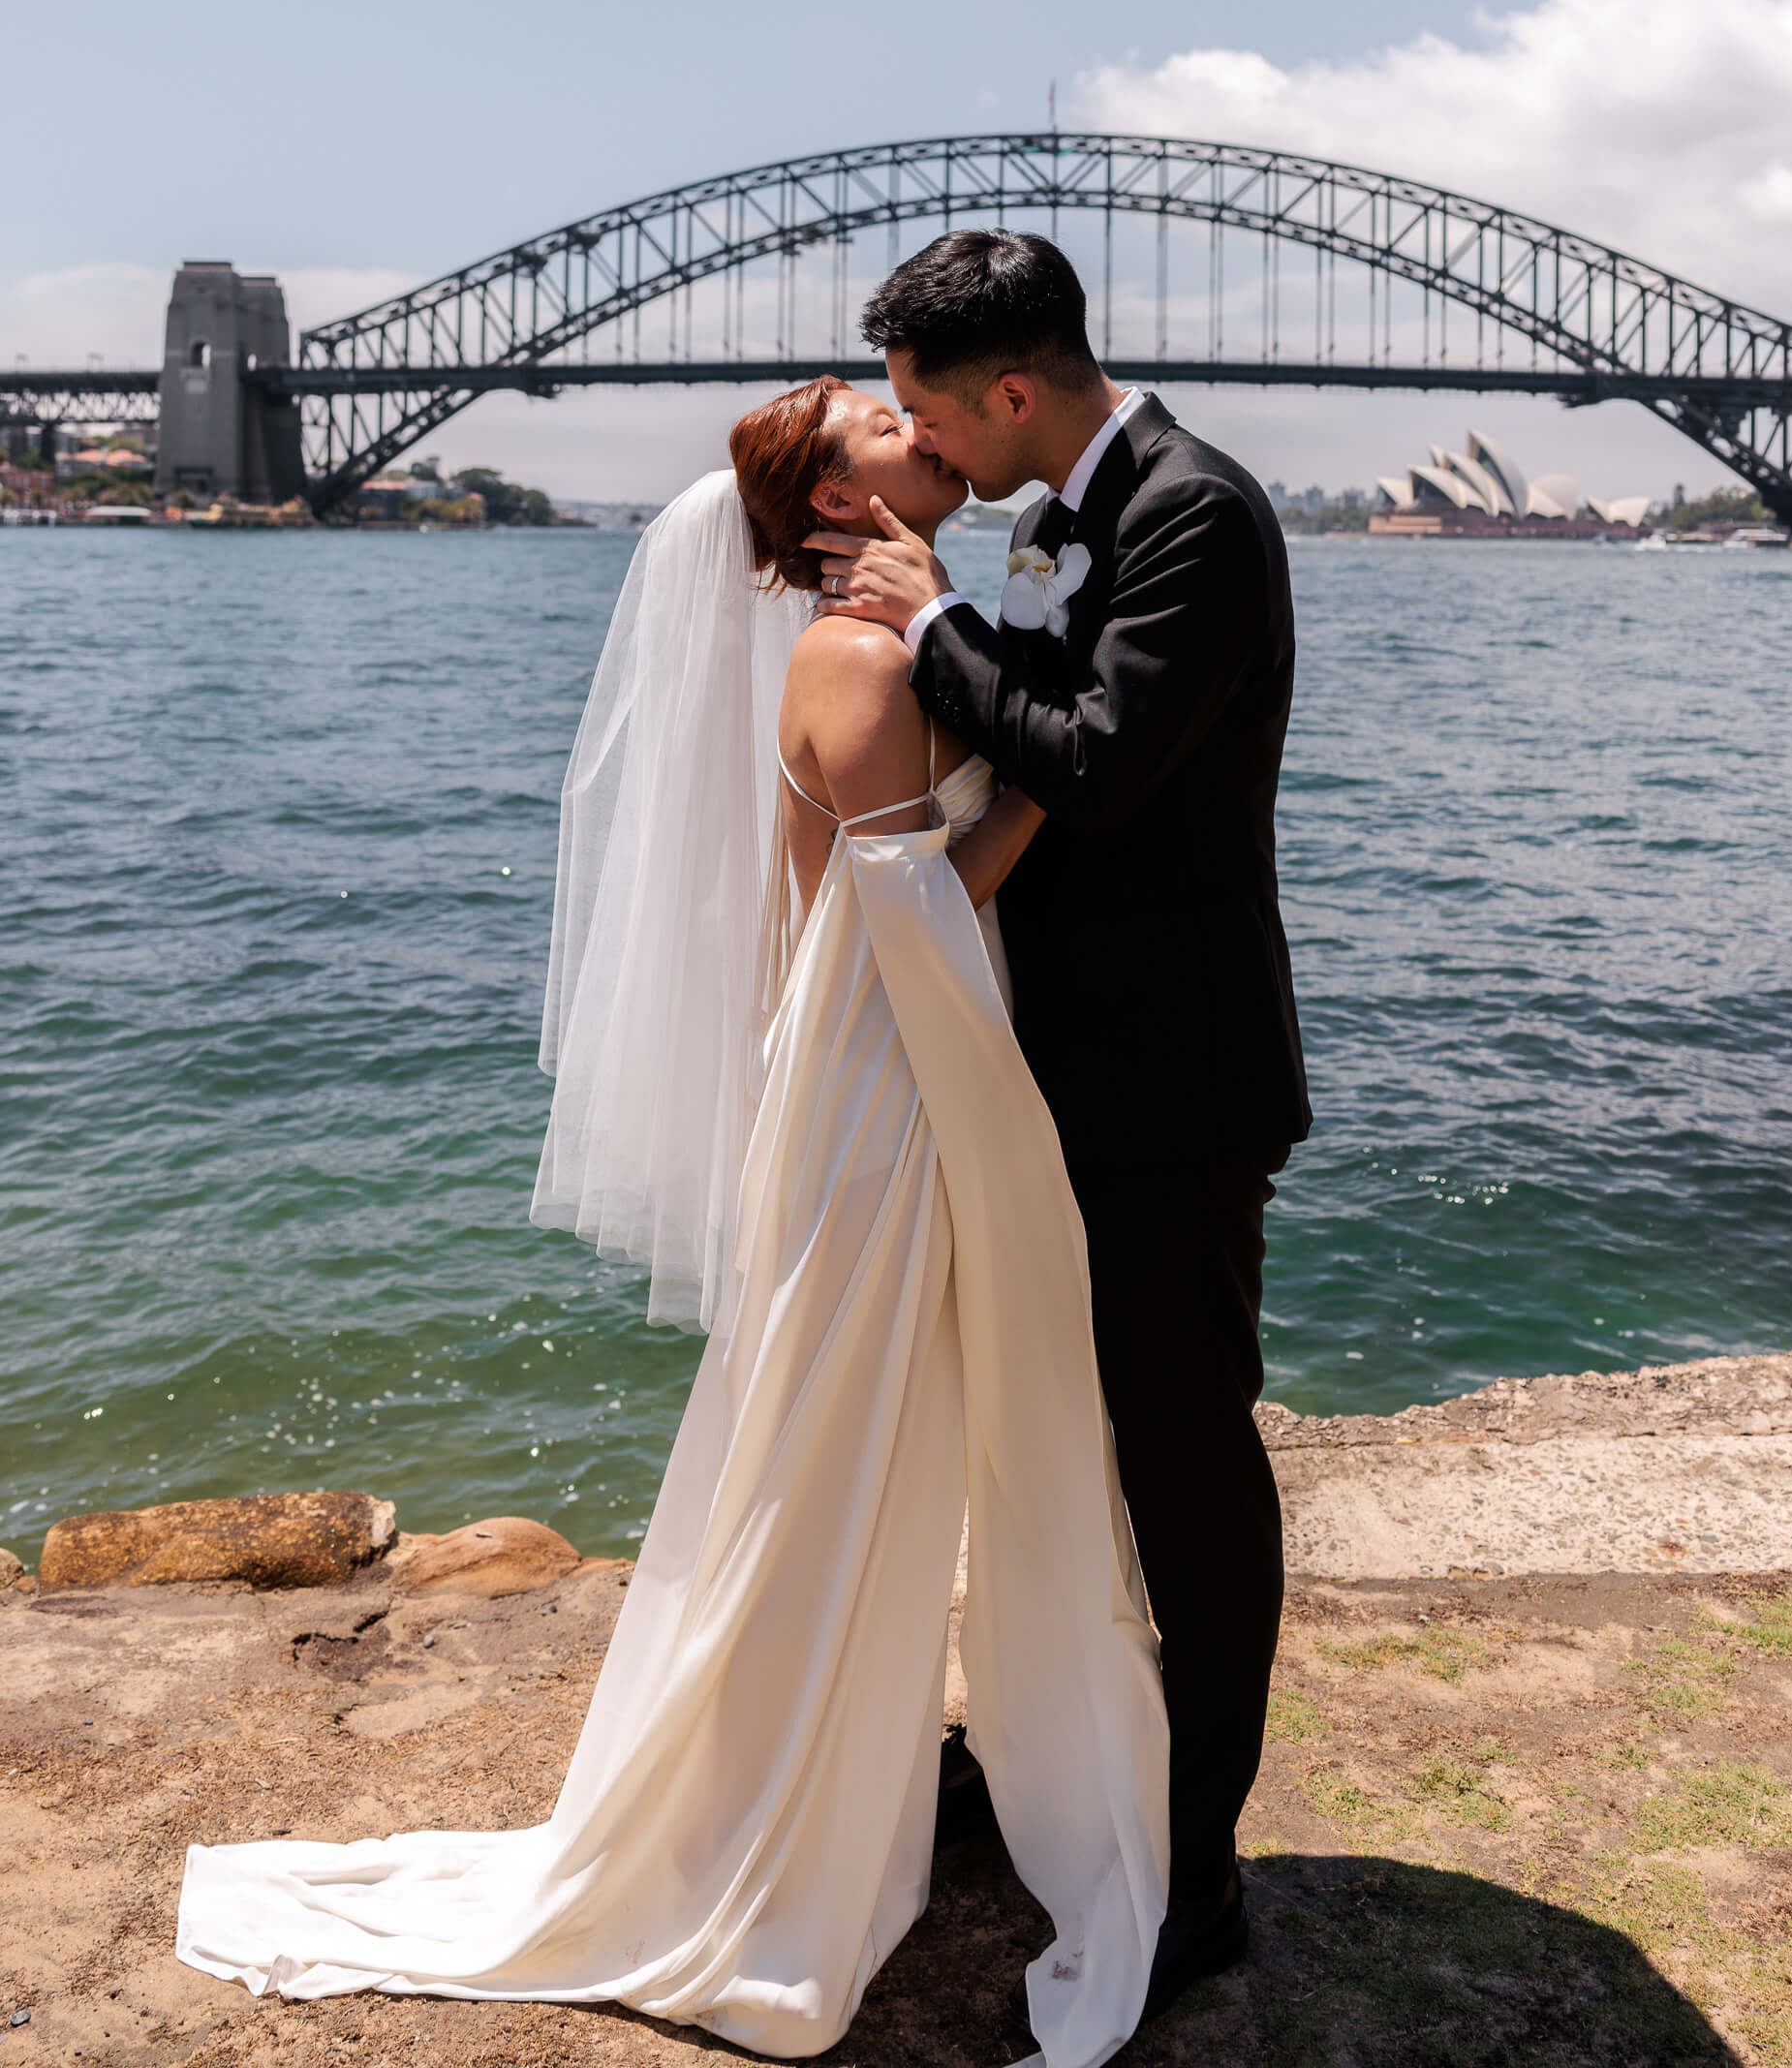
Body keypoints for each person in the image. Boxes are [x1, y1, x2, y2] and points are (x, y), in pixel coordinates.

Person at [176, 378, 1168, 2068]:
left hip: (889, 1046)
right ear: (825, 497)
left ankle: (839, 1780)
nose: (915, 420)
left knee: (861, 1422)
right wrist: (1063, 783)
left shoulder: (894, 635)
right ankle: (767, 1824)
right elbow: (906, 892)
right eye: (876, 417)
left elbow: (836, 883)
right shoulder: (856, 657)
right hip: (895, 1067)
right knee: (839, 1431)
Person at [806, 229, 1307, 2015]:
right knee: (1050, 1443)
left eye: (932, 408)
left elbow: (1091, 760)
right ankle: (1056, 1764)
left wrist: (924, 617)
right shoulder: (1069, 504)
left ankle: (1202, 1868)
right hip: (1045, 1064)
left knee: (1184, 1457)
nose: (919, 440)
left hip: (1170, 1082)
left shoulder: (1197, 514)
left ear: (1010, 392)